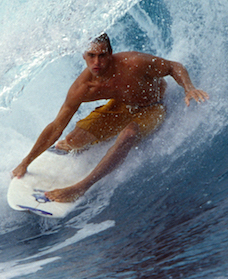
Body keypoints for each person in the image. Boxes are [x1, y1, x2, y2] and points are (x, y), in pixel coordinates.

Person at [11, 33, 209, 202]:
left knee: (128, 134)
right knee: (73, 141)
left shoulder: (133, 63)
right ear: (84, 56)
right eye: (91, 55)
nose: (97, 62)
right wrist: (25, 162)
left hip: (153, 107)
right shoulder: (82, 88)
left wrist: (189, 88)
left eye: (102, 55)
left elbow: (173, 67)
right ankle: (72, 143)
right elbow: (56, 126)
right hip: (121, 106)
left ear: (110, 54)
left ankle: (81, 187)